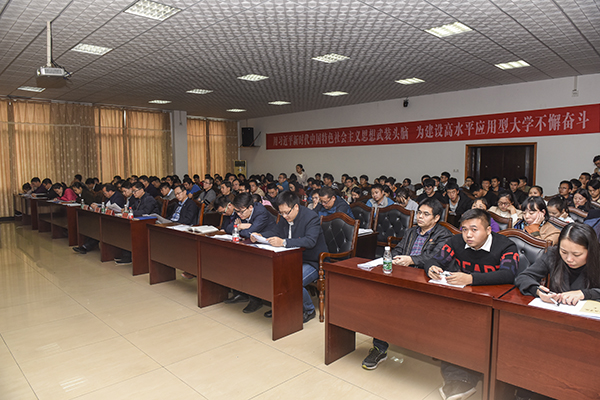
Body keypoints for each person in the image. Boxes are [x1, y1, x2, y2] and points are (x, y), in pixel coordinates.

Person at [425, 209, 519, 400]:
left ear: (488, 230)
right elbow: (435, 259)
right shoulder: (456, 241)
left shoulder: (506, 246)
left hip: (497, 303)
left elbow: (509, 274)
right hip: (467, 299)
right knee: (450, 325)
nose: (468, 235)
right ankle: (457, 377)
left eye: (474, 229)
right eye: (465, 229)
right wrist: (431, 268)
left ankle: (470, 378)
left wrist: (471, 278)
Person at [362, 198, 453, 370]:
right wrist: (395, 258)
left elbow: (436, 258)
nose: (420, 217)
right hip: (403, 275)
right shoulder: (411, 231)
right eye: (419, 213)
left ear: (436, 218)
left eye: (426, 214)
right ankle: (379, 348)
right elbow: (399, 249)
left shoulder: (444, 235)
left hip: (425, 279)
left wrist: (411, 260)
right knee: (380, 301)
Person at [254, 191, 327, 323]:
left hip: (312, 261)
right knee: (272, 275)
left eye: (287, 213)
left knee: (294, 280)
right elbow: (275, 232)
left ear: (296, 207)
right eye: (281, 213)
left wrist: (283, 242)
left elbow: (310, 241)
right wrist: (261, 235)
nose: (284, 216)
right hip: (291, 258)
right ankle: (281, 306)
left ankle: (309, 310)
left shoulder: (311, 217)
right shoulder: (285, 216)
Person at [516, 223, 600, 305]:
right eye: (564, 252)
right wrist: (538, 291)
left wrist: (584, 294)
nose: (569, 259)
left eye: (576, 254)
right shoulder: (553, 255)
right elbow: (524, 276)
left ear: (591, 251)